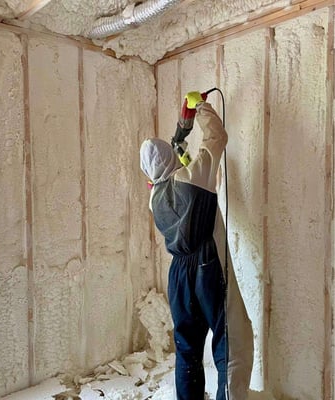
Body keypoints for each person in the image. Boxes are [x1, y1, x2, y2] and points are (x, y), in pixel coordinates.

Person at [140, 92, 253, 400]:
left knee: (188, 349)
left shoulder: (154, 197)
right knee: (233, 344)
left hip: (178, 274)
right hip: (207, 266)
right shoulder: (193, 176)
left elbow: (170, 166)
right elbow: (217, 137)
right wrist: (199, 107)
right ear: (173, 160)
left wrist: (181, 132)